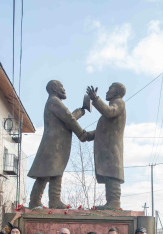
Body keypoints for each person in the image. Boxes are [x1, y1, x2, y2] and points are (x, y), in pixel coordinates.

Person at [28, 80, 88, 208]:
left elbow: (67, 119)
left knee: (49, 171)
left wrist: (81, 110)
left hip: (55, 143)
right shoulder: (54, 101)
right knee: (53, 170)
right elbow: (69, 118)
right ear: (54, 88)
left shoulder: (53, 102)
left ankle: (37, 201)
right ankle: (52, 200)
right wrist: (82, 134)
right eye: (61, 87)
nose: (64, 89)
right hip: (54, 143)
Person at [84, 83, 126, 209]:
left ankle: (114, 202)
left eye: (110, 88)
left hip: (112, 148)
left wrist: (95, 99)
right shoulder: (113, 107)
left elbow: (109, 112)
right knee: (109, 174)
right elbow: (102, 131)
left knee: (112, 175)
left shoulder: (119, 103)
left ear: (117, 92)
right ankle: (111, 202)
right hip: (108, 149)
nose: (107, 91)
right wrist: (87, 135)